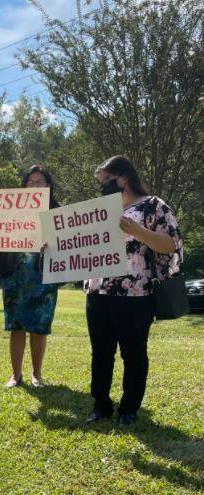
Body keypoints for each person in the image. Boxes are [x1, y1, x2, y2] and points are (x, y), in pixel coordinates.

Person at [85, 155, 182, 426]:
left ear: (123, 179)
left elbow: (169, 245)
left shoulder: (153, 206)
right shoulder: (98, 210)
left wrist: (138, 231)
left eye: (106, 181)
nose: (101, 187)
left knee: (134, 353)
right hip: (98, 291)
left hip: (136, 295)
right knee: (101, 352)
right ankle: (100, 405)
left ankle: (129, 409)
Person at [0, 165, 60, 388]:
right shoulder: (9, 208)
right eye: (31, 181)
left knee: (39, 327)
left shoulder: (57, 211)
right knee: (16, 326)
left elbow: (67, 244)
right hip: (15, 275)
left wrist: (51, 244)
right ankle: (16, 375)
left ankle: (37, 375)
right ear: (24, 185)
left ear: (48, 186)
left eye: (40, 181)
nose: (35, 185)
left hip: (43, 276)